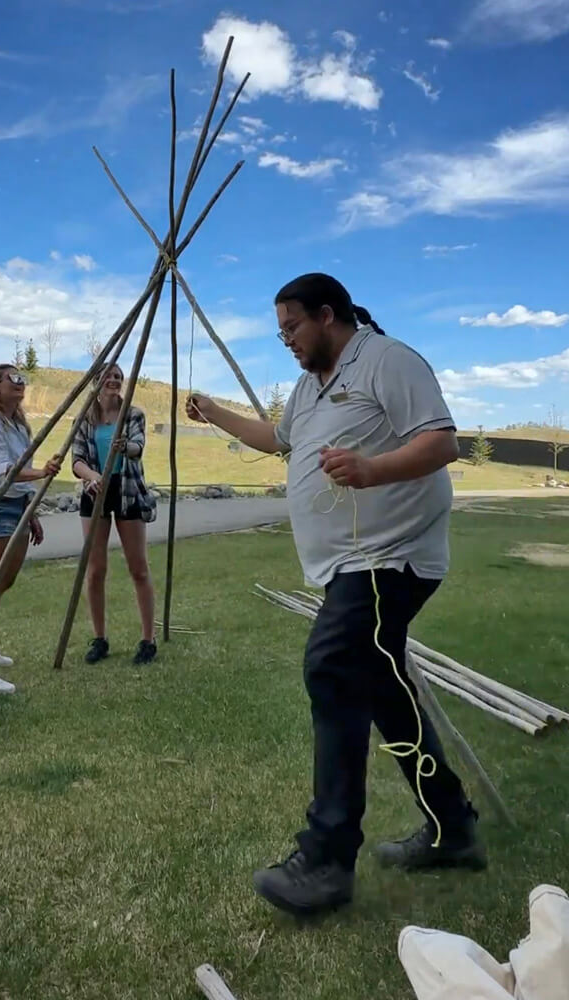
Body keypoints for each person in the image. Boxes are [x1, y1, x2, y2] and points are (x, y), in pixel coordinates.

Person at [186, 273, 485, 916]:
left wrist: (373, 469)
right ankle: (452, 827)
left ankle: (325, 860)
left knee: (331, 664)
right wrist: (214, 412)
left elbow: (442, 442)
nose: (286, 340)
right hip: (347, 565)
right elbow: (278, 440)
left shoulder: (387, 360)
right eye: (280, 331)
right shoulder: (307, 387)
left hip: (390, 557)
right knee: (384, 696)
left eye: (292, 327)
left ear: (328, 315)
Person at [0, 364, 61, 694]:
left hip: (17, 506)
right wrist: (43, 473)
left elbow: (23, 471)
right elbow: (4, 471)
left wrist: (31, 509)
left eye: (23, 379)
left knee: (4, 581)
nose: (20, 384)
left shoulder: (18, 426)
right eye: (12, 379)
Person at [72, 363, 158, 666]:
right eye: (108, 377)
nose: (114, 381)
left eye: (118, 377)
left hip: (127, 490)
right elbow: (77, 459)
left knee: (138, 567)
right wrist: (92, 476)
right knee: (95, 570)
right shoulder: (85, 417)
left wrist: (127, 448)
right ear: (96, 381)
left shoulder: (133, 413)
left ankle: (148, 640)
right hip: (95, 490)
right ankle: (100, 638)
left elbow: (138, 445)